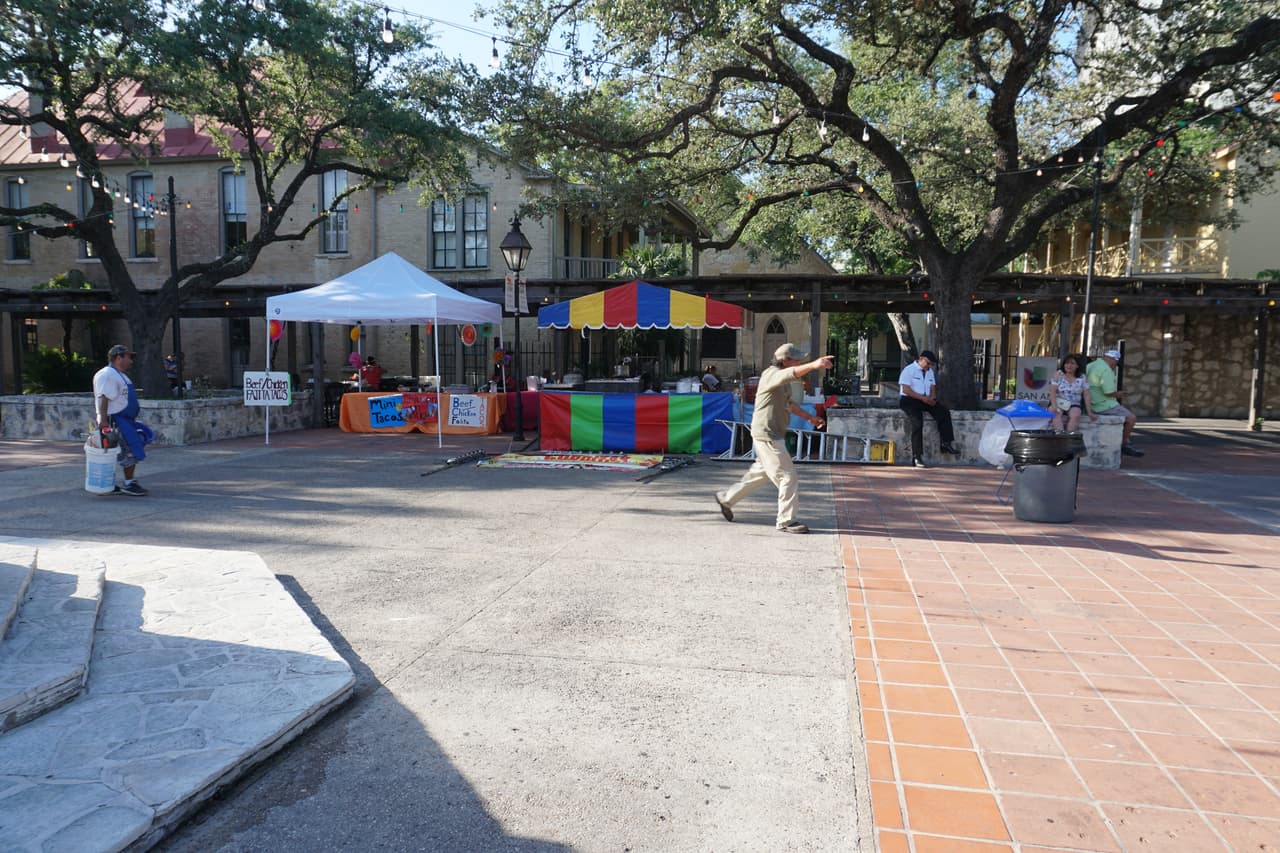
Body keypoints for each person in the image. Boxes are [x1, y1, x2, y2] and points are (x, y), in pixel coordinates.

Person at [714, 343, 833, 534]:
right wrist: (813, 365)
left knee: (759, 475)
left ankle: (726, 498)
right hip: (767, 434)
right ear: (784, 360)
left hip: (769, 433)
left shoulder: (781, 382)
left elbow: (789, 404)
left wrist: (810, 417)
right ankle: (786, 521)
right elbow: (792, 373)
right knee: (787, 476)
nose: (799, 361)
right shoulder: (772, 374)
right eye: (796, 359)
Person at [93, 344, 148, 496]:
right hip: (115, 421)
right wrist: (104, 422)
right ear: (119, 357)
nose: (131, 361)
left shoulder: (119, 374)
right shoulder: (107, 375)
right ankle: (128, 483)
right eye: (129, 357)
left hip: (124, 420)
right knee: (127, 451)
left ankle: (110, 484)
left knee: (117, 452)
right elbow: (103, 397)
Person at [897, 350, 960, 468]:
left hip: (925, 399)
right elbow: (906, 389)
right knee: (917, 422)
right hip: (910, 399)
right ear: (921, 359)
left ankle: (945, 443)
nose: (929, 366)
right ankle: (917, 456)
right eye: (928, 363)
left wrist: (932, 398)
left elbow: (932, 387)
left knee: (944, 413)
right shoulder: (909, 370)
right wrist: (923, 399)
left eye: (931, 364)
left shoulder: (930, 372)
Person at [1087, 349, 1143, 457]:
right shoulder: (1106, 370)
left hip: (1091, 402)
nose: (1115, 365)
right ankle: (1124, 443)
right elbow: (1108, 392)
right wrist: (1120, 394)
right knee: (1131, 418)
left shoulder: (1091, 365)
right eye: (1116, 362)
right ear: (1112, 359)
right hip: (1103, 404)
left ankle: (1124, 441)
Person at [1049, 354, 1096, 433]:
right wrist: (1054, 405)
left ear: (1077, 366)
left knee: (1075, 415)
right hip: (1059, 401)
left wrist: (1089, 412)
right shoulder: (1059, 374)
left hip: (1074, 403)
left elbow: (1086, 395)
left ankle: (1069, 437)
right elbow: (1052, 390)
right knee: (1056, 413)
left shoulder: (1082, 377)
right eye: (1067, 363)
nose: (1069, 365)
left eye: (1072, 363)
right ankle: (1059, 436)